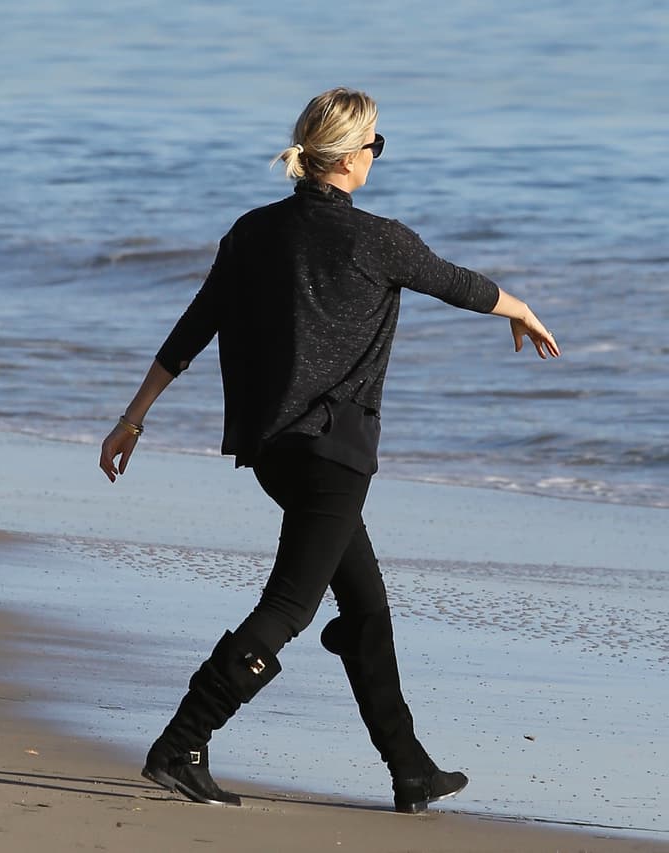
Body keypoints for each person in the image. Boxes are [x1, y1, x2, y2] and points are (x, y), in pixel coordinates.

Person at [99, 88, 560, 814]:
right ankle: (182, 742)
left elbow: (197, 325)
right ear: (347, 158)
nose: (377, 155)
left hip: (273, 450)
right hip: (334, 453)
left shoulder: (252, 232)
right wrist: (524, 308)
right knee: (289, 604)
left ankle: (410, 768)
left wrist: (132, 419)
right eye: (375, 144)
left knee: (366, 607)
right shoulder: (380, 240)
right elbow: (457, 284)